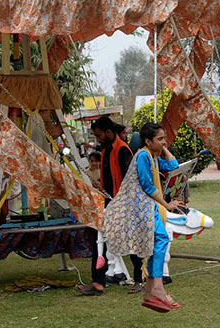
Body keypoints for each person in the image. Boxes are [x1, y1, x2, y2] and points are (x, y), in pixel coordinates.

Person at [103, 122, 184, 312]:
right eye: (160, 139)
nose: (164, 142)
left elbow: (173, 165)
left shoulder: (152, 157)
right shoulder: (142, 157)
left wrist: (162, 147)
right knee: (161, 238)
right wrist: (167, 205)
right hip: (138, 206)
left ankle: (152, 291)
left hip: (146, 205)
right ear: (147, 141)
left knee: (159, 240)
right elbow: (147, 186)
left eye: (164, 138)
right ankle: (156, 289)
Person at [76, 116, 140, 295]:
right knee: (100, 243)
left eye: (99, 135)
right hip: (108, 203)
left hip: (123, 204)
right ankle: (98, 282)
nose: (97, 139)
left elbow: (131, 179)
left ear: (109, 132)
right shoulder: (105, 149)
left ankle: (139, 280)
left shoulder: (123, 150)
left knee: (131, 242)